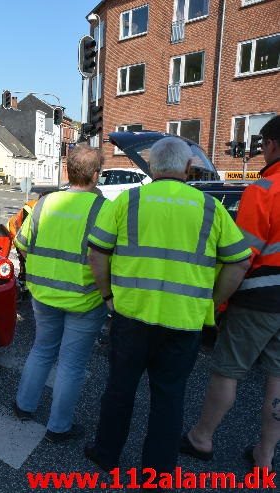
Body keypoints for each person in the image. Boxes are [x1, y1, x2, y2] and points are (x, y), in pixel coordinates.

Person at [84, 137, 251, 474]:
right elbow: (240, 262)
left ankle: (106, 454)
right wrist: (211, 301)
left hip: (131, 316)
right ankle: (157, 473)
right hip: (184, 322)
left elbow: (97, 254)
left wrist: (108, 297)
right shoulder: (210, 207)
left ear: (153, 167)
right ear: (188, 168)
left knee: (120, 390)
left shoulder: (128, 201)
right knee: (169, 399)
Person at [182, 115, 280, 471]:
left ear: (270, 145)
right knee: (278, 378)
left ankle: (201, 438)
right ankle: (264, 457)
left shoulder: (264, 190)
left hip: (258, 299)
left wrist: (218, 300)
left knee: (227, 371)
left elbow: (243, 256)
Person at [12, 144, 109, 443]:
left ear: (67, 170)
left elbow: (23, 243)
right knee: (71, 364)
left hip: (43, 295)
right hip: (84, 298)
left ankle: (24, 406)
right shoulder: (102, 208)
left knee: (42, 350)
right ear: (96, 175)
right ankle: (58, 427)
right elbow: (105, 257)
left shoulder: (45, 202)